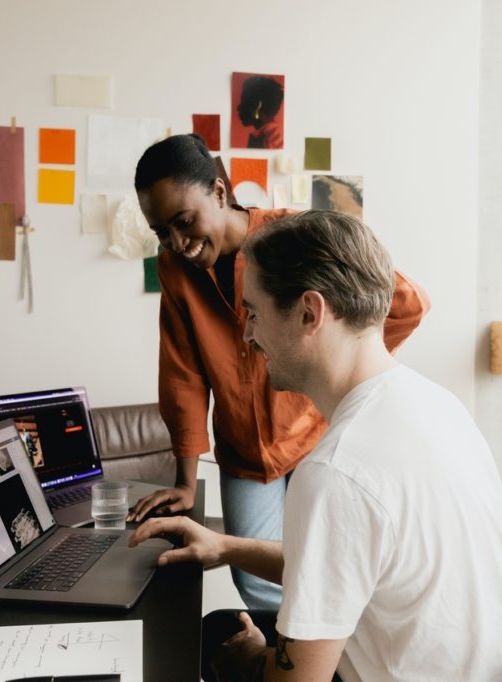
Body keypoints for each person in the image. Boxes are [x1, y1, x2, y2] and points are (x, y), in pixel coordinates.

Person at [129, 210, 502, 681]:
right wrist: (225, 547)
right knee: (219, 627)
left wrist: (249, 661)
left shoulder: (337, 471)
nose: (247, 334)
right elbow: (349, 562)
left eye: (254, 313)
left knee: (213, 645)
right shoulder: (440, 406)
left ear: (309, 312)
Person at [131, 134, 430, 610]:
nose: (177, 243)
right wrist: (186, 482)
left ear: (220, 193)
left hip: (318, 437)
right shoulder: (173, 270)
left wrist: (340, 376)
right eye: (162, 232)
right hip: (244, 452)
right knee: (256, 582)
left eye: (184, 222)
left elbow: (405, 304)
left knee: (332, 568)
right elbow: (182, 374)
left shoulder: (292, 238)